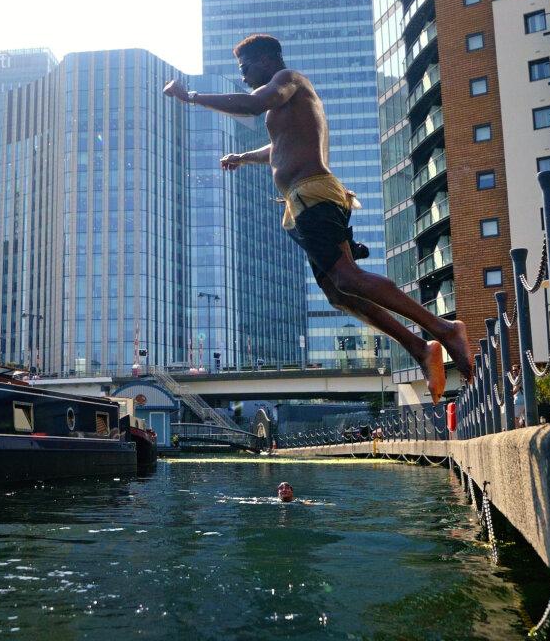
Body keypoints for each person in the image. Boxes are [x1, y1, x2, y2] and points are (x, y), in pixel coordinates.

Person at [163, 34, 472, 403]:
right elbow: (279, 148)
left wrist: (192, 97)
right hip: (302, 202)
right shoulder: (286, 108)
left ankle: (444, 328)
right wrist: (243, 157)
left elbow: (251, 104)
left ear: (268, 59)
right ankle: (420, 348)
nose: (244, 76)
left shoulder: (289, 80)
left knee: (347, 276)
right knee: (337, 292)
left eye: (246, 68)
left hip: (314, 194)